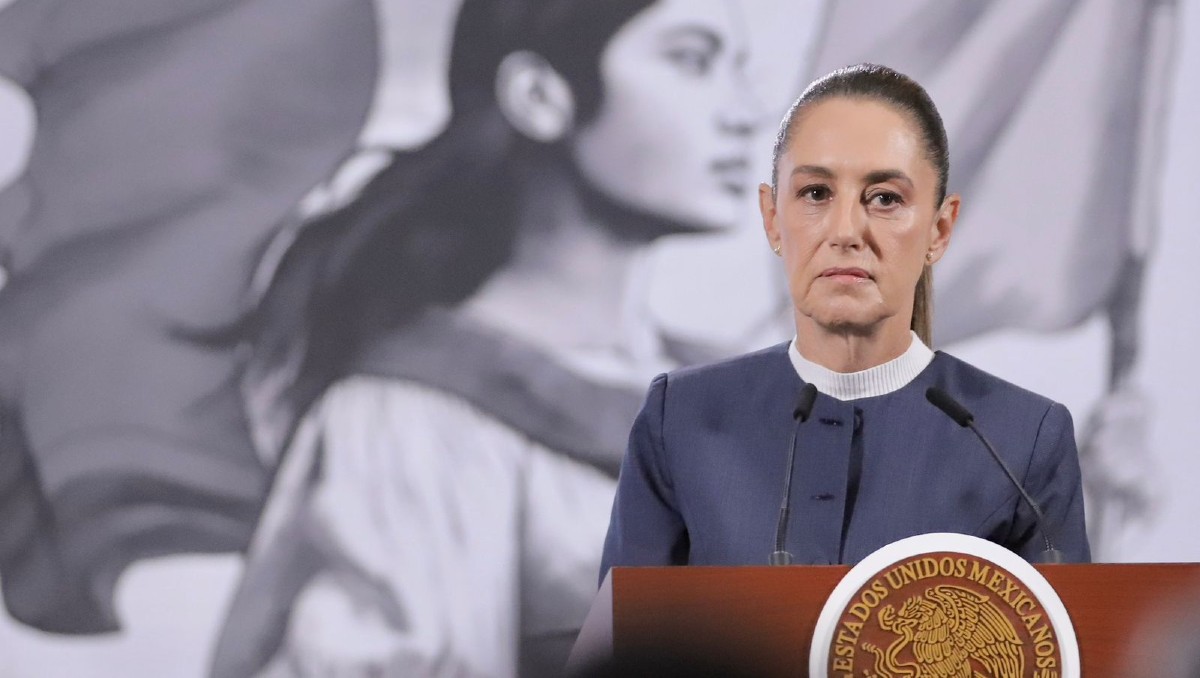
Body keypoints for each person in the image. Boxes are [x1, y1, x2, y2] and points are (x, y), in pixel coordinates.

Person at [211, 1, 761, 677]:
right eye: (692, 61)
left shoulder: (746, 398)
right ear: (539, 96)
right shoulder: (415, 421)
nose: (746, 111)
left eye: (741, 69)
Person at [600, 64, 1090, 575]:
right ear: (772, 219)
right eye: (816, 193)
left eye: (884, 199)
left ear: (939, 230)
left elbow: (1061, 646)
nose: (845, 231)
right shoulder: (680, 419)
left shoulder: (1019, 440)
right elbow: (620, 645)